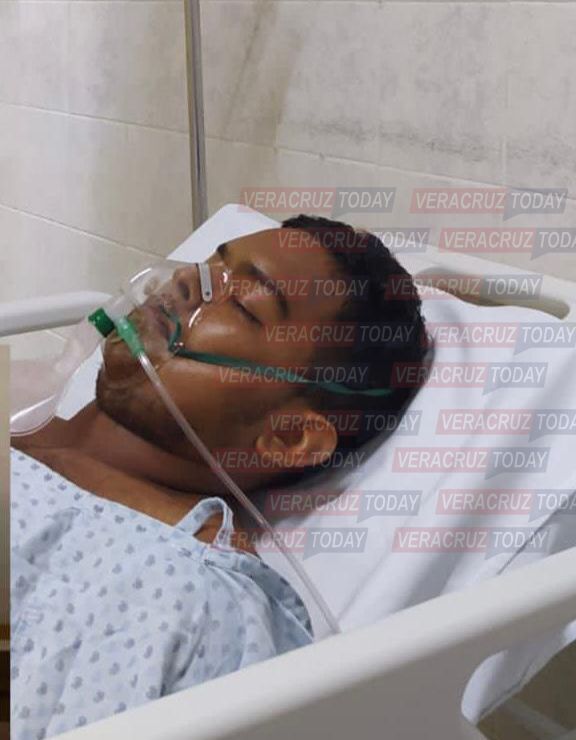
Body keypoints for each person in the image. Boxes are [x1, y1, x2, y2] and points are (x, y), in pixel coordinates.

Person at [10, 215, 429, 738]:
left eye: (245, 305)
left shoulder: (185, 598)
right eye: (209, 265)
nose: (186, 280)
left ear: (288, 436)